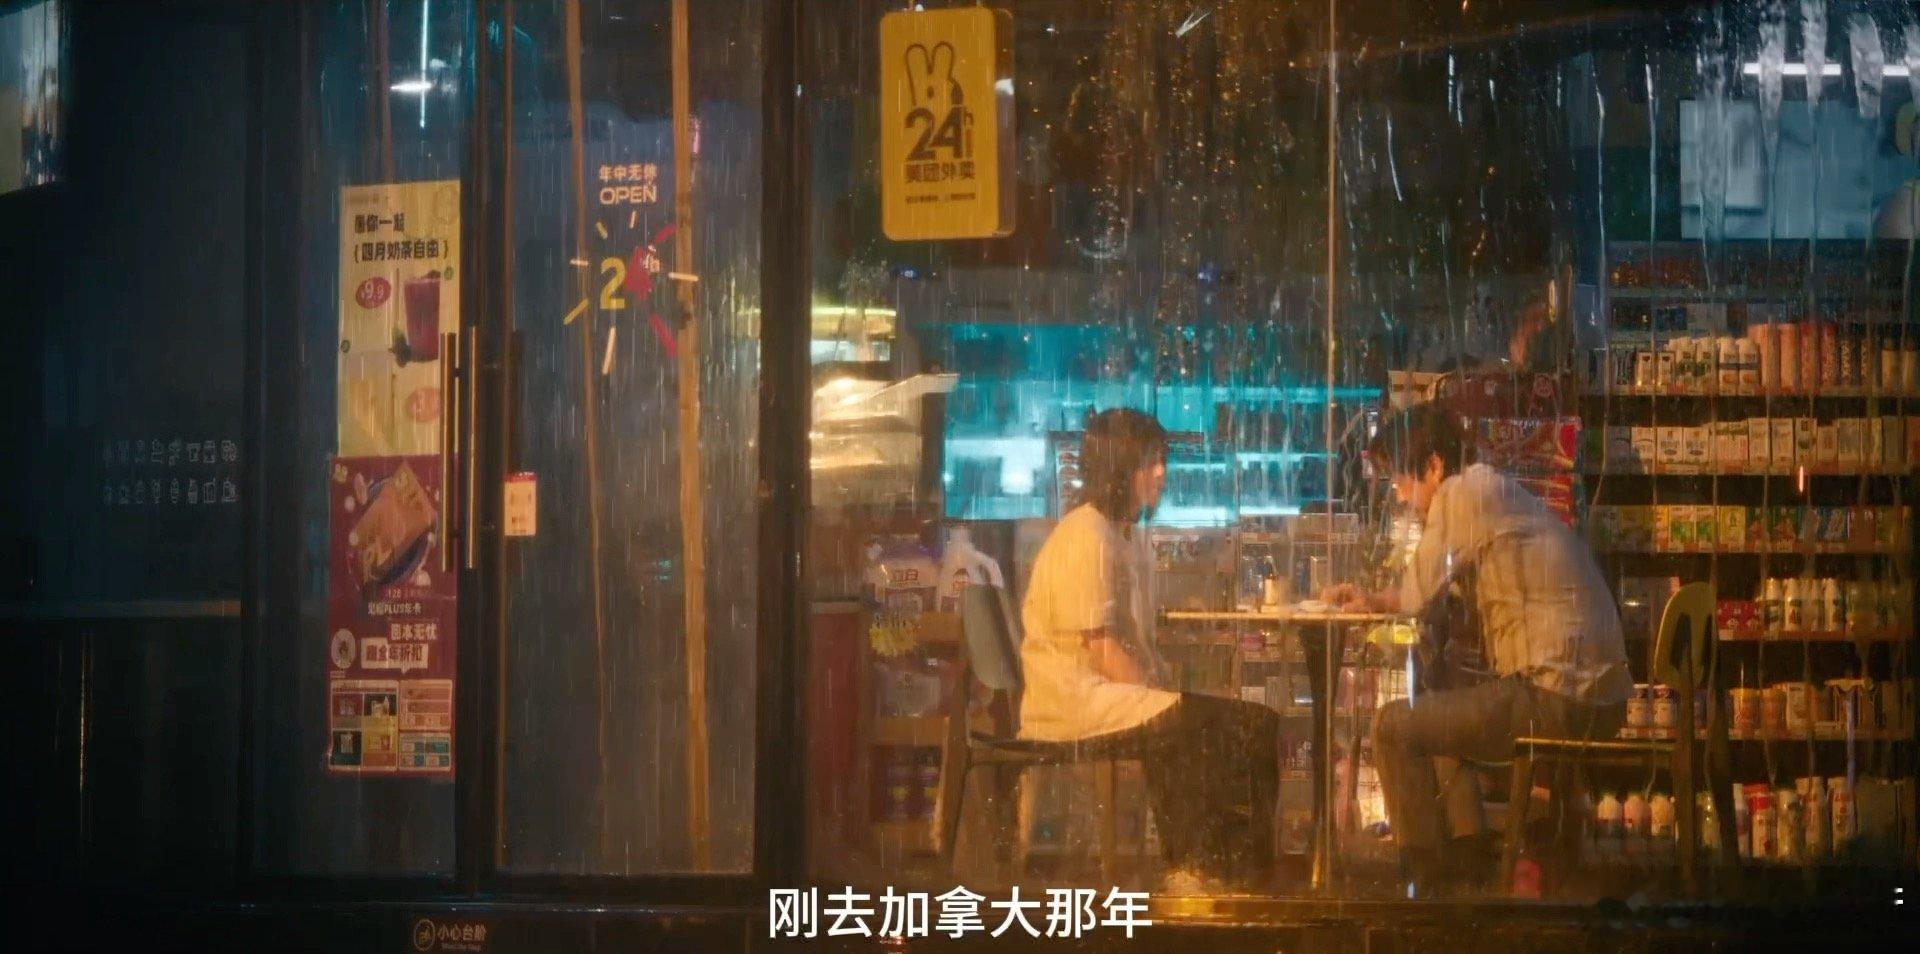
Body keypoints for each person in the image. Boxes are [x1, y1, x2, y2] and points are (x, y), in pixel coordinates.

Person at [1321, 402, 1630, 894]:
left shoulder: (1460, 495)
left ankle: (1426, 884)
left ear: (1434, 466)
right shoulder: (1491, 488)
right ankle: (1469, 864)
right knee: (1441, 721)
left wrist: (1372, 603)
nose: (1401, 496)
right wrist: (1373, 599)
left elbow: (1416, 597)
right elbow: (1424, 594)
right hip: (1596, 696)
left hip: (1557, 696)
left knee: (1391, 728)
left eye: (1402, 480)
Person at [1019, 408, 1280, 895]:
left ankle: (1243, 869)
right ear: (1120, 468)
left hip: (1107, 693)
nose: (1161, 472)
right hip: (1074, 699)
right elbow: (1102, 650)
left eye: (1162, 460)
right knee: (1189, 723)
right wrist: (1164, 703)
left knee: (1257, 723)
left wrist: (1165, 696)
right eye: (1149, 461)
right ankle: (1193, 866)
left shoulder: (1122, 535)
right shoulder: (1085, 535)